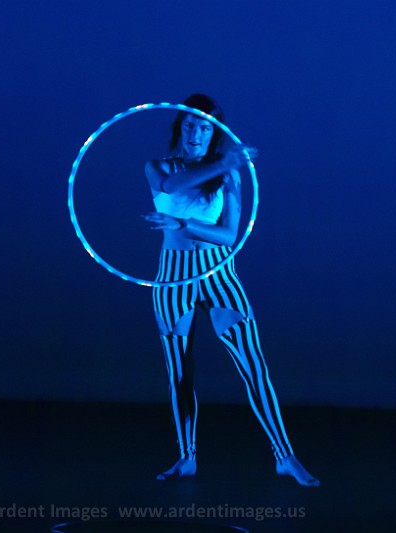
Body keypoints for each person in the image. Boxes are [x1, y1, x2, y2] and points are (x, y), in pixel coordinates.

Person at [142, 94, 319, 487]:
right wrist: (222, 164)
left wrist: (183, 223)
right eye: (190, 125)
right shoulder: (158, 167)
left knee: (254, 366)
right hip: (172, 278)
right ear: (179, 127)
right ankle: (186, 457)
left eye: (205, 128)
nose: (196, 134)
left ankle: (285, 456)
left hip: (219, 274)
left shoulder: (228, 176)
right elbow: (170, 185)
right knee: (179, 372)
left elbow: (228, 235)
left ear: (215, 133)